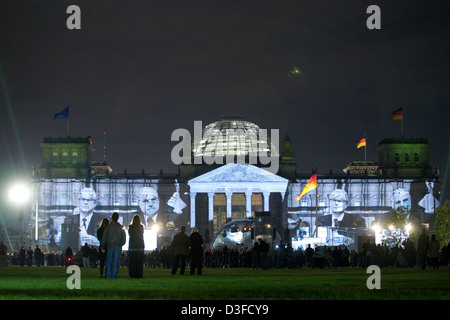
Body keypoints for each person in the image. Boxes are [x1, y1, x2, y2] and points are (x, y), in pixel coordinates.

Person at [102, 212, 126, 279]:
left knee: (109, 261)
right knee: (116, 261)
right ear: (118, 218)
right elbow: (124, 238)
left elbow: (104, 237)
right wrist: (121, 244)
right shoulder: (120, 227)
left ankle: (108, 275)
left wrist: (103, 246)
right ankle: (114, 275)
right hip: (118, 246)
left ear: (112, 218)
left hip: (110, 245)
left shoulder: (108, 227)